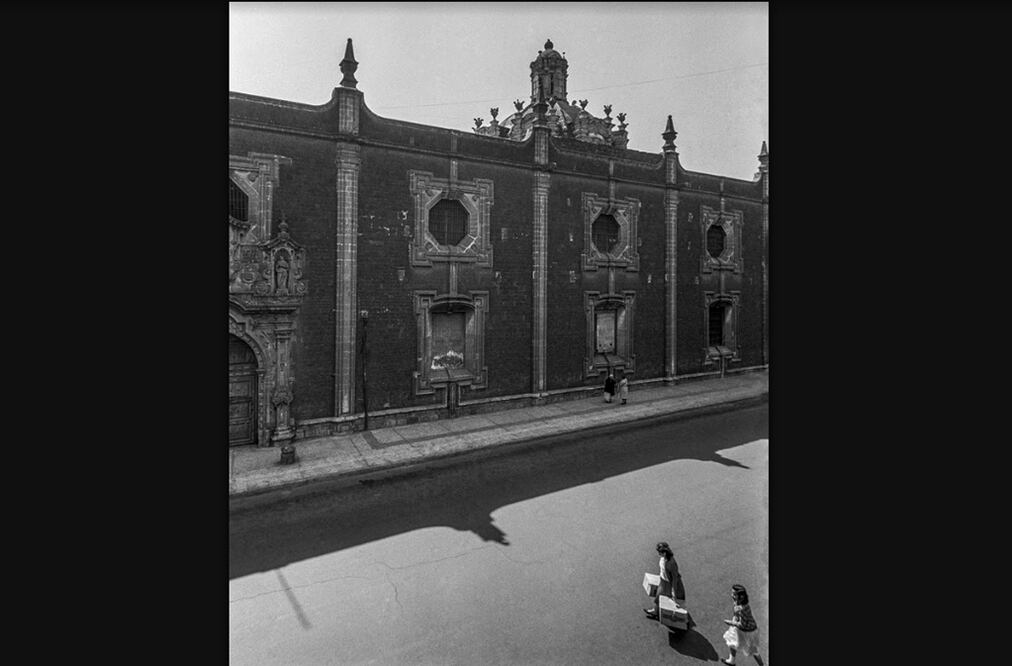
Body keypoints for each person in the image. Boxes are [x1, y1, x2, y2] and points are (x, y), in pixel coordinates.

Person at [721, 584, 764, 665]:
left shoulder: (743, 609)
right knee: (731, 642)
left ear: (741, 597)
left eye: (734, 594)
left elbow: (742, 625)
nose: (732, 595)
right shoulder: (737, 602)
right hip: (738, 627)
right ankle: (732, 660)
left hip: (748, 631)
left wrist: (731, 622)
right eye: (732, 593)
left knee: (754, 651)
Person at [644, 541, 685, 620]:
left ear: (665, 553)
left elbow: (675, 578)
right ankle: (655, 611)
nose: (659, 554)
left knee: (669, 598)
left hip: (668, 583)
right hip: (663, 580)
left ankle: (658, 612)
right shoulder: (663, 558)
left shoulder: (671, 563)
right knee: (658, 596)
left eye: (660, 553)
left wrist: (673, 590)